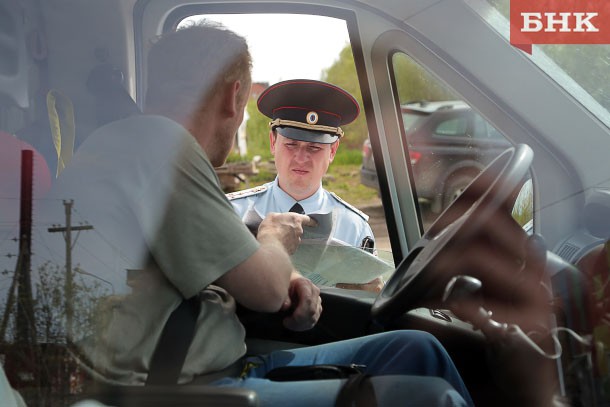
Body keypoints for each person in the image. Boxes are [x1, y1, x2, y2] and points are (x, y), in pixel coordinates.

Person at [41, 22, 474, 406]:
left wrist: (288, 276)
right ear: (233, 96)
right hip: (187, 386)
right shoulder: (159, 147)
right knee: (429, 397)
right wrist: (273, 242)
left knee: (418, 348)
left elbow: (226, 265)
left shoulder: (128, 146)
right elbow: (265, 293)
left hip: (215, 363)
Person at [228, 79, 382, 292]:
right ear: (273, 143)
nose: (301, 158)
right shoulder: (234, 214)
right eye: (291, 144)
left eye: (314, 148)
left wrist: (369, 297)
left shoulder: (354, 228)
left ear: (333, 150)